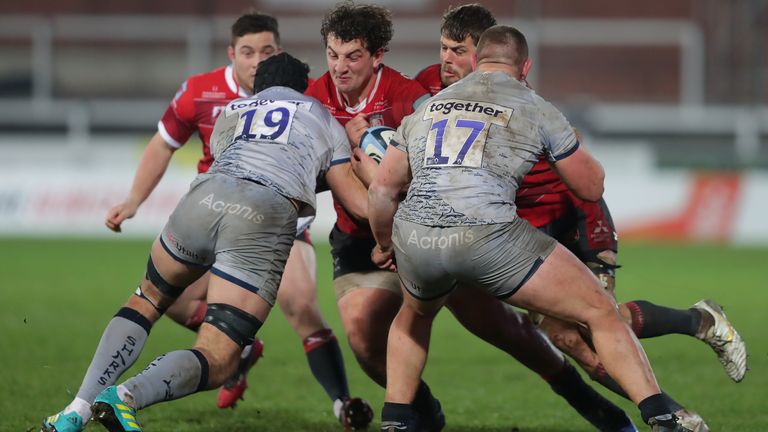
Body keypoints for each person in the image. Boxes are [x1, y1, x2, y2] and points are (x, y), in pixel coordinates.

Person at [308, 3, 643, 432]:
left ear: (378, 55)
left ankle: (602, 405)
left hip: (429, 231)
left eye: (352, 56)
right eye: (333, 55)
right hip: (366, 239)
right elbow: (352, 189)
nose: (340, 66)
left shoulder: (415, 97)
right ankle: (423, 415)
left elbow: (417, 183)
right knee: (364, 340)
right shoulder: (314, 100)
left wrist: (368, 170)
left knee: (514, 333)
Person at [414, 5, 746, 428]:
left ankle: (700, 322)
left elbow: (582, 173)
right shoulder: (431, 89)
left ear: (484, 56)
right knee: (567, 336)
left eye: (457, 51)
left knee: (602, 319)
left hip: (572, 214)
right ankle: (674, 416)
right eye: (442, 48)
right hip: (518, 227)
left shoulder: (519, 97)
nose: (446, 60)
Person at [42, 52, 372, 432]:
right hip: (262, 214)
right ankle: (126, 396)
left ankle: (77, 409)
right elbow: (356, 204)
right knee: (220, 353)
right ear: (305, 86)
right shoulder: (322, 117)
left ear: (259, 85)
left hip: (205, 197)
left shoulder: (234, 109)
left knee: (146, 298)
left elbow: (228, 155)